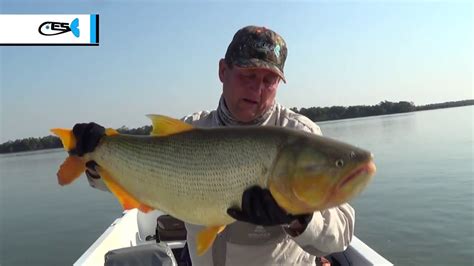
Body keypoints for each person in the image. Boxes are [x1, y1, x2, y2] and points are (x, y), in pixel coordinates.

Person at [76, 25, 354, 266]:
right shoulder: (190, 131)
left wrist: (300, 218)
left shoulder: (300, 136)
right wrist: (95, 156)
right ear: (223, 70)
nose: (257, 90)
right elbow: (129, 179)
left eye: (269, 80)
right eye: (248, 75)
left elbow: (341, 234)